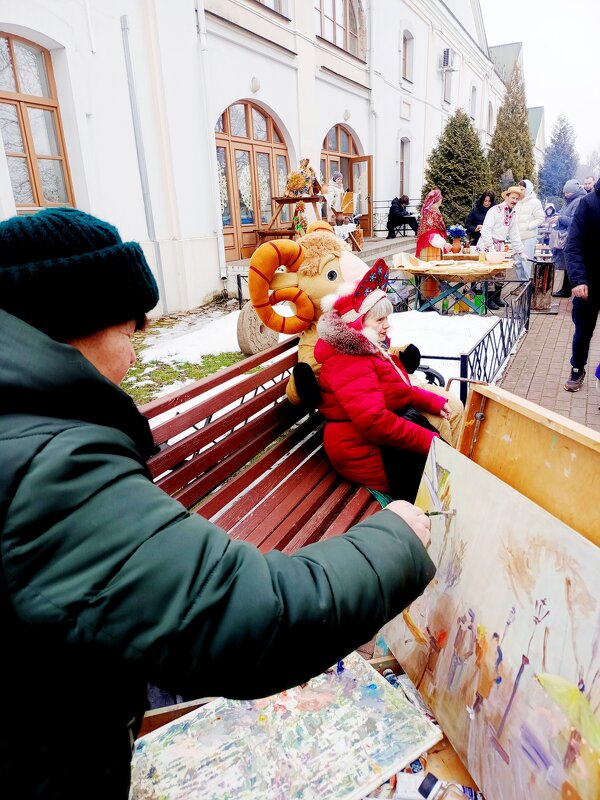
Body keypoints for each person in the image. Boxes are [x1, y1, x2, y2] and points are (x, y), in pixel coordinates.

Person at [0, 207, 436, 798]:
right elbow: (251, 615)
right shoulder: (44, 461)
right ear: (72, 322)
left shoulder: (27, 427)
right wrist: (399, 539)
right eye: (129, 332)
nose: (132, 359)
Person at [315, 268, 462, 503]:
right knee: (440, 473)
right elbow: (375, 422)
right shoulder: (349, 361)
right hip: (360, 449)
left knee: (444, 460)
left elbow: (396, 390)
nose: (387, 326)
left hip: (370, 438)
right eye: (379, 320)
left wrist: (434, 402)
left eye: (387, 319)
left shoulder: (365, 350)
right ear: (357, 324)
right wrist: (428, 442)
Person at [563, 177, 600, 391]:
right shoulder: (589, 203)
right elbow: (573, 244)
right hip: (588, 283)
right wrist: (577, 281)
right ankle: (577, 369)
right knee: (583, 331)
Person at [478, 185, 525, 310]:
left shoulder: (513, 213)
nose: (514, 200)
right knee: (490, 274)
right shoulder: (496, 210)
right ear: (507, 197)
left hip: (500, 245)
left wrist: (520, 251)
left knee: (500, 273)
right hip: (489, 244)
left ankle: (496, 298)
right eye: (513, 197)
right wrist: (490, 247)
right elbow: (486, 229)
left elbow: (514, 233)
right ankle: (488, 300)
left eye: (517, 199)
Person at [551, 179, 587, 298]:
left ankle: (568, 289)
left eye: (568, 193)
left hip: (572, 237)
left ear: (574, 191)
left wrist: (560, 219)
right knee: (567, 264)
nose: (566, 195)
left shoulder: (578, 201)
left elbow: (575, 221)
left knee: (569, 263)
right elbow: (563, 213)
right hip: (565, 235)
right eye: (565, 193)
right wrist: (556, 215)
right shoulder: (569, 200)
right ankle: (565, 289)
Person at [515, 179, 544, 280]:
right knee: (517, 263)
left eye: (522, 189)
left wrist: (529, 226)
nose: (520, 191)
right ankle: (520, 285)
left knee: (526, 262)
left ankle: (526, 287)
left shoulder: (535, 202)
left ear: (528, 190)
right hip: (517, 237)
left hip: (529, 237)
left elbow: (541, 218)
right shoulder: (516, 202)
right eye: (519, 189)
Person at [416, 189, 450, 259]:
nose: (441, 200)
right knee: (433, 262)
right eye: (440, 198)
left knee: (426, 260)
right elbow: (440, 225)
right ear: (436, 199)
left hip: (425, 240)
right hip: (434, 240)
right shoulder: (434, 211)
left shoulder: (426, 210)